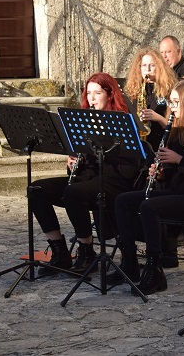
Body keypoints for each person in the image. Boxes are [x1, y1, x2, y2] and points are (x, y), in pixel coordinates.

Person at [112, 79, 184, 295]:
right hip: (178, 192)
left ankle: (155, 269)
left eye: (177, 103)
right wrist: (161, 174)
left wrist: (179, 161)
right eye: (172, 102)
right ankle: (130, 262)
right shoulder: (177, 130)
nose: (173, 108)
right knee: (123, 201)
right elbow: (174, 174)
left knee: (151, 207)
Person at [30, 72, 141, 275]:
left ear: (110, 94)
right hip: (87, 179)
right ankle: (60, 253)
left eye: (97, 93)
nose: (91, 98)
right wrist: (71, 163)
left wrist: (104, 150)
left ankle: (87, 251)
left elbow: (131, 169)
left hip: (115, 182)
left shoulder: (123, 121)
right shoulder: (82, 121)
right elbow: (79, 164)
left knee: (74, 192)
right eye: (88, 93)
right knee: (36, 189)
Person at [124, 46, 177, 148]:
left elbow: (177, 129)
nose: (147, 69)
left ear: (160, 67)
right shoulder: (135, 90)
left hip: (161, 143)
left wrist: (158, 118)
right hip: (140, 144)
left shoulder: (170, 91)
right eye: (144, 65)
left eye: (152, 65)